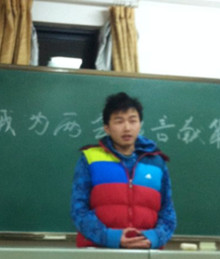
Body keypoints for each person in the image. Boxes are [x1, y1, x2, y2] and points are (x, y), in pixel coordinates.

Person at [71, 92, 176, 249]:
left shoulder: (156, 162)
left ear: (140, 124)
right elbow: (78, 209)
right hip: (98, 251)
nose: (127, 128)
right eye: (119, 121)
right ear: (107, 128)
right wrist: (110, 237)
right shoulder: (90, 158)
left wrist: (154, 238)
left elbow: (167, 211)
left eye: (133, 121)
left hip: (146, 251)